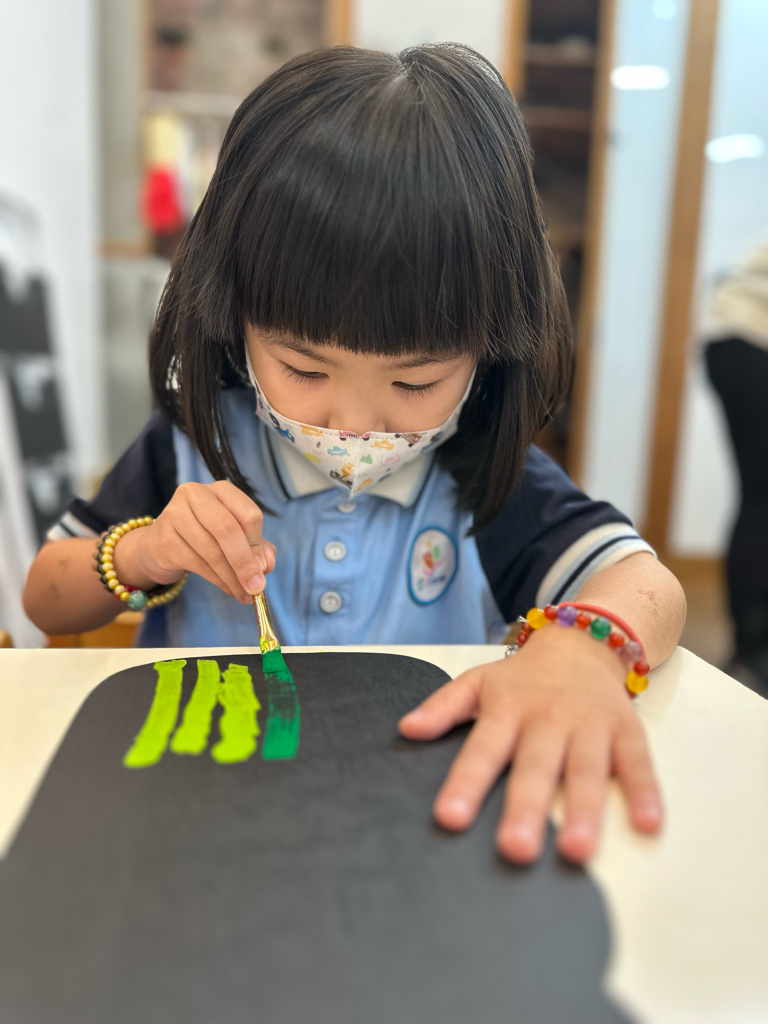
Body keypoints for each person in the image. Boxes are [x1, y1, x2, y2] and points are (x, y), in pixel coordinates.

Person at [23, 43, 685, 866]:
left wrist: (582, 651)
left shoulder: (483, 473)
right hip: (199, 830)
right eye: (304, 369)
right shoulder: (195, 442)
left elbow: (650, 586)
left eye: (415, 382)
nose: (355, 423)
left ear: (490, 351)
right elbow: (46, 599)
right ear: (232, 310)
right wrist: (146, 551)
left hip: (410, 837)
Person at [703, 239, 768, 694]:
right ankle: (754, 651)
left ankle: (751, 649)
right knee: (762, 500)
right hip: (752, 340)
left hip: (733, 340)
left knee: (758, 499)